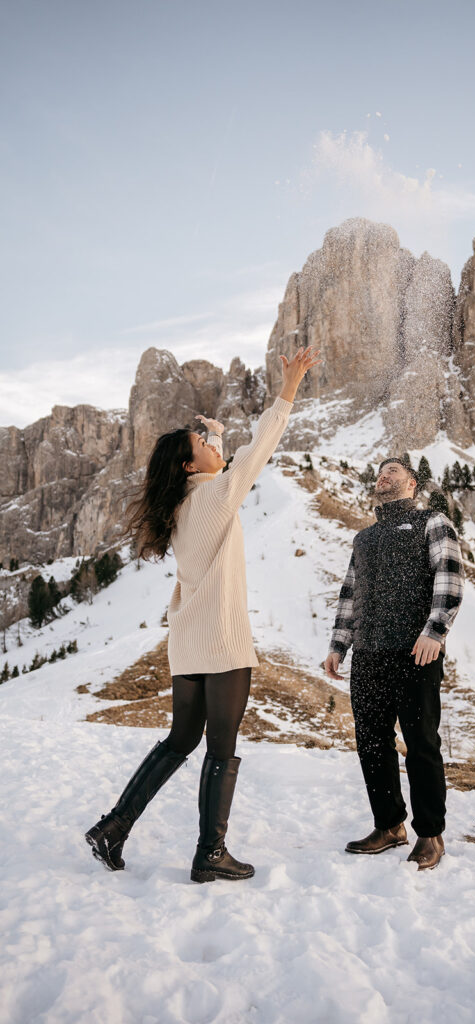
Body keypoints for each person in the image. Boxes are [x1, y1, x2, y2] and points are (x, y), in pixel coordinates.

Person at [85, 345, 321, 883]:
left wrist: (210, 436)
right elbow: (258, 450)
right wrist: (288, 388)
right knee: (220, 748)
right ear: (191, 466)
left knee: (180, 740)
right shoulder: (215, 497)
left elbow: (221, 459)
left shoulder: (182, 505)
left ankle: (113, 827)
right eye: (204, 446)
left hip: (188, 643)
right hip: (221, 641)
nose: (216, 448)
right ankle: (210, 852)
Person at [324, 457, 464, 870]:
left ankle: (430, 835)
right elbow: (350, 595)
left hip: (415, 651)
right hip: (368, 653)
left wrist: (434, 631)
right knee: (372, 743)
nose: (383, 475)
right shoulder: (364, 538)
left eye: (394, 471)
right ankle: (389, 826)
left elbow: (449, 578)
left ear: (412, 483)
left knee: (421, 745)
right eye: (380, 472)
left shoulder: (432, 522)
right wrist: (338, 645)